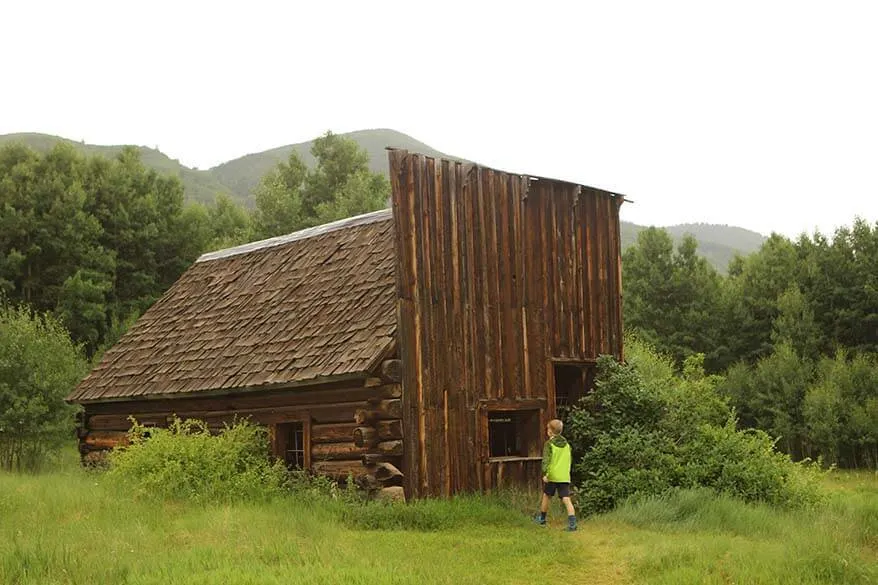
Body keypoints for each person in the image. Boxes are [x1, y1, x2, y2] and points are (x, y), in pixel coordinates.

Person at [534, 419, 577, 531]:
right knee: (566, 499)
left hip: (552, 476)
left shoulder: (549, 444)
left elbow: (546, 460)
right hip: (564, 476)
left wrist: (545, 474)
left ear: (550, 432)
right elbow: (569, 460)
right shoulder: (567, 445)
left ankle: (542, 519)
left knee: (546, 496)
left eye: (548, 428)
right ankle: (572, 524)